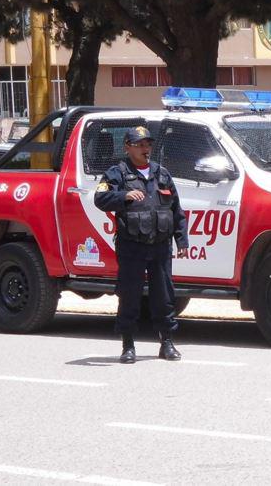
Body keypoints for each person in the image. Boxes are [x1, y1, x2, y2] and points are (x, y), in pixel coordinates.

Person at [93, 126, 188, 364]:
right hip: (132, 246)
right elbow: (100, 198)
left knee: (164, 296)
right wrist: (123, 196)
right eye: (140, 145)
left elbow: (176, 209)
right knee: (130, 295)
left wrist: (181, 239)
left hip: (160, 246)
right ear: (128, 147)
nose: (146, 149)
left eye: (148, 144)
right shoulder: (117, 173)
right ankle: (128, 345)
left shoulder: (162, 174)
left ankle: (167, 342)